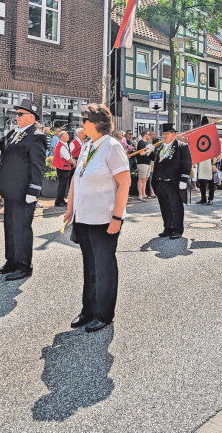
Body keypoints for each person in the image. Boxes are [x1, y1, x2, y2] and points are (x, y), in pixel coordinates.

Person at [63, 104, 130, 333]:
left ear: (97, 123)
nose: (81, 124)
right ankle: (88, 310)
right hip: (84, 217)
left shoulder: (112, 146)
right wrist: (70, 208)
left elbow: (124, 184)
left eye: (85, 120)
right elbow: (76, 178)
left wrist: (117, 217)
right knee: (89, 265)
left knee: (104, 266)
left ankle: (103, 314)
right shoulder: (88, 145)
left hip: (104, 218)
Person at [0, 101, 48, 281]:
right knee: (10, 226)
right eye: (17, 113)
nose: (17, 116)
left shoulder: (36, 136)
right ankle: (11, 261)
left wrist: (34, 190)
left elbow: (38, 166)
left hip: (24, 192)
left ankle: (24, 265)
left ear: (32, 116)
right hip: (10, 190)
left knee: (21, 228)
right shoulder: (14, 133)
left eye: (21, 114)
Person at [151, 122, 192, 240]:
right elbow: (155, 160)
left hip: (173, 182)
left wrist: (184, 179)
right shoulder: (160, 147)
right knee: (164, 206)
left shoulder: (181, 146)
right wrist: (150, 152)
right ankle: (168, 227)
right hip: (160, 182)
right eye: (163, 134)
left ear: (173, 134)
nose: (164, 136)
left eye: (167, 134)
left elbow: (187, 163)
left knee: (176, 206)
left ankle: (177, 229)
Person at [52, 130, 77, 209]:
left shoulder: (61, 144)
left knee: (62, 185)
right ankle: (59, 201)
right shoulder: (62, 146)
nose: (68, 137)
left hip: (61, 167)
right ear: (62, 137)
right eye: (66, 135)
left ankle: (61, 200)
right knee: (62, 185)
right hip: (63, 167)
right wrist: (73, 163)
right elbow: (67, 157)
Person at [134, 130, 155, 201]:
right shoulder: (141, 142)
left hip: (147, 162)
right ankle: (140, 195)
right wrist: (148, 151)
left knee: (145, 179)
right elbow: (141, 153)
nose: (149, 136)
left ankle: (144, 194)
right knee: (141, 179)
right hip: (142, 162)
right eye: (148, 134)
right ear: (145, 134)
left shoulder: (147, 143)